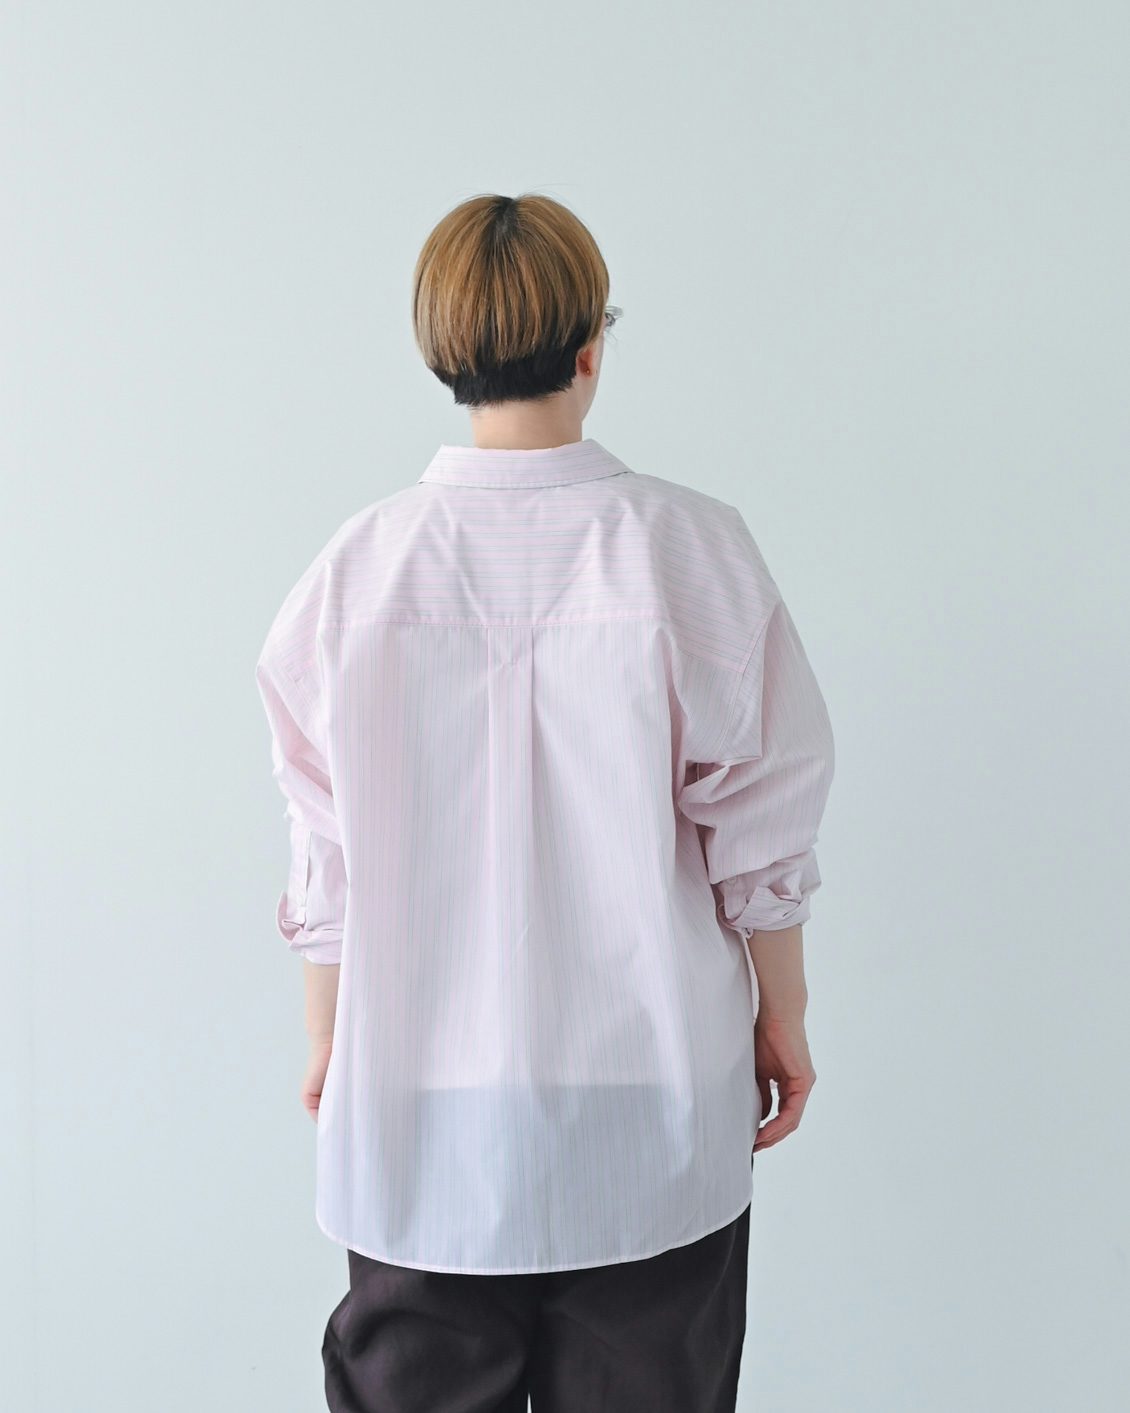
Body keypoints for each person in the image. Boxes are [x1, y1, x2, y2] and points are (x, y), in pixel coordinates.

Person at [254, 191, 836, 1413]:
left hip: (420, 1081)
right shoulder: (690, 549)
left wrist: (327, 1035)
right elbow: (762, 825)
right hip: (649, 1079)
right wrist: (779, 1014)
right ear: (589, 347)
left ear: (442, 352)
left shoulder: (355, 570)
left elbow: (325, 847)